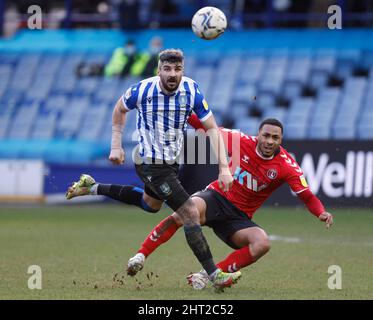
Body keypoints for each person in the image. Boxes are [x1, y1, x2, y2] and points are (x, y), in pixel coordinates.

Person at [68, 115, 334, 290]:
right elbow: (208, 129)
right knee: (184, 212)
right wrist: (185, 113)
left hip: (239, 217)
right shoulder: (241, 140)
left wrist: (321, 212)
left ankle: (208, 276)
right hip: (216, 197)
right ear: (259, 134)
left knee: (262, 243)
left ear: (280, 141)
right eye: (266, 135)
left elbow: (306, 196)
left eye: (275, 138)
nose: (269, 141)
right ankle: (140, 255)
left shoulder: (286, 165)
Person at [66, 49, 241, 291]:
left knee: (150, 204)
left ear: (183, 70)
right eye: (167, 69)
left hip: (171, 162)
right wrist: (116, 144)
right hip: (149, 161)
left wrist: (224, 168)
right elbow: (119, 109)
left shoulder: (192, 91)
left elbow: (212, 128)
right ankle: (214, 275)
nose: (172, 74)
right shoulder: (143, 89)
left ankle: (91, 186)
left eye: (177, 69)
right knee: (190, 212)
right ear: (159, 70)